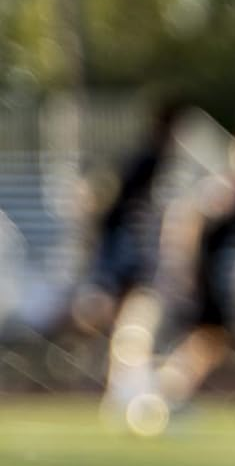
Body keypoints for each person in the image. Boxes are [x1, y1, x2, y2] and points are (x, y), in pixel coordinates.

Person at [112, 122, 235, 429]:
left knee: (225, 341)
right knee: (210, 341)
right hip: (218, 279)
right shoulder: (232, 191)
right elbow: (191, 222)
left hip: (233, 280)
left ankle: (162, 395)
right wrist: (187, 270)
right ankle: (158, 396)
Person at [71, 99, 185, 338]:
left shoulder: (151, 154)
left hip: (124, 232)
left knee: (123, 291)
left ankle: (109, 334)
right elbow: (122, 195)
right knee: (114, 290)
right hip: (123, 232)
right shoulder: (149, 155)